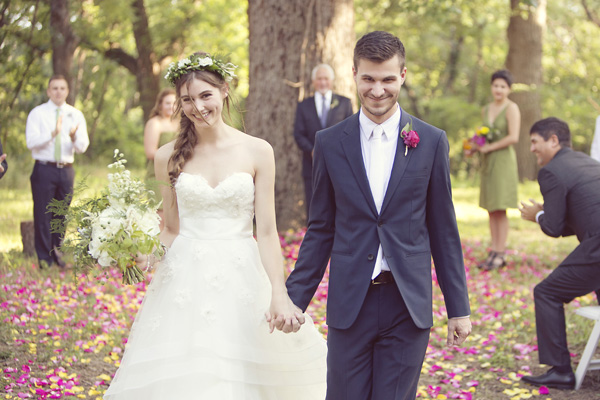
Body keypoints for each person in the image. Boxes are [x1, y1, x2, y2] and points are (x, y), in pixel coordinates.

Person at [103, 53, 326, 399]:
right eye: (187, 100)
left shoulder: (258, 151)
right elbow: (171, 229)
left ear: (224, 90)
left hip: (242, 273)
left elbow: (266, 231)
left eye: (205, 95)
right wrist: (143, 257)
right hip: (185, 279)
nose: (197, 107)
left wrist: (279, 293)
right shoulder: (166, 156)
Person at [284, 31, 472, 400]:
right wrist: (294, 298)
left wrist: (458, 308)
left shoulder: (431, 141)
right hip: (351, 301)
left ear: (402, 76)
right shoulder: (328, 141)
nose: (377, 89)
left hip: (408, 304)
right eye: (368, 79)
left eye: (387, 79)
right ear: (353, 74)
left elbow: (443, 229)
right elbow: (321, 228)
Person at [519, 117, 600, 390]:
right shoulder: (589, 163)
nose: (531, 149)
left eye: (534, 141)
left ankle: (561, 371)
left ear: (553, 140)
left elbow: (553, 227)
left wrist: (538, 214)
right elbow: (581, 214)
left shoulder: (551, 171)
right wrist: (547, 214)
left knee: (547, 292)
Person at [25, 75, 89, 268]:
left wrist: (73, 137)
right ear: (48, 91)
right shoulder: (38, 113)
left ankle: (57, 253)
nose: (58, 91)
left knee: (61, 214)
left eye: (62, 88)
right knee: (43, 214)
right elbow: (31, 142)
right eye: (54, 88)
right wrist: (52, 134)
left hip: (66, 169)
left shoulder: (75, 114)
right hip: (44, 168)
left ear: (67, 91)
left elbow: (83, 146)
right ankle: (44, 259)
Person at [474, 70, 521, 270]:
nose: (499, 89)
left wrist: (490, 148)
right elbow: (482, 135)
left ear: (508, 89)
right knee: (491, 208)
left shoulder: (512, 108)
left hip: (502, 161)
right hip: (487, 161)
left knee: (500, 208)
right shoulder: (486, 109)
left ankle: (501, 253)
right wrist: (475, 145)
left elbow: (514, 137)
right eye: (496, 85)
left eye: (503, 86)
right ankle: (493, 249)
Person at [293, 63, 353, 218]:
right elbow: (298, 134)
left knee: (338, 206)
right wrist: (312, 150)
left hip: (339, 165)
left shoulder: (344, 103)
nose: (323, 82)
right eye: (319, 79)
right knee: (313, 206)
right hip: (311, 167)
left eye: (326, 78)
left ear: (331, 81)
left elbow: (351, 132)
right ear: (314, 82)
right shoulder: (303, 105)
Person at [144, 88, 179, 225]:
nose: (172, 106)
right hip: (158, 175)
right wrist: (176, 155)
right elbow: (150, 151)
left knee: (176, 217)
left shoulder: (181, 123)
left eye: (175, 103)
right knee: (162, 216)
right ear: (160, 105)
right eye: (167, 103)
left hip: (177, 174)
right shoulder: (155, 123)